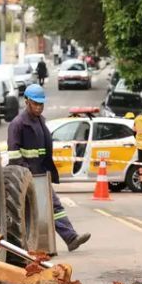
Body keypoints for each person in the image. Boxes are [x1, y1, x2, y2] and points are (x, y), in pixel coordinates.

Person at [7, 83, 91, 252]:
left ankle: (71, 238)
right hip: (25, 178)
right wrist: (27, 174)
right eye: (35, 103)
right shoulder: (17, 124)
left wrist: (47, 172)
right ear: (27, 102)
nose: (39, 107)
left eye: (41, 104)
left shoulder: (40, 121)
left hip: (41, 175)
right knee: (27, 213)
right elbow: (14, 156)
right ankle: (24, 249)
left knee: (55, 207)